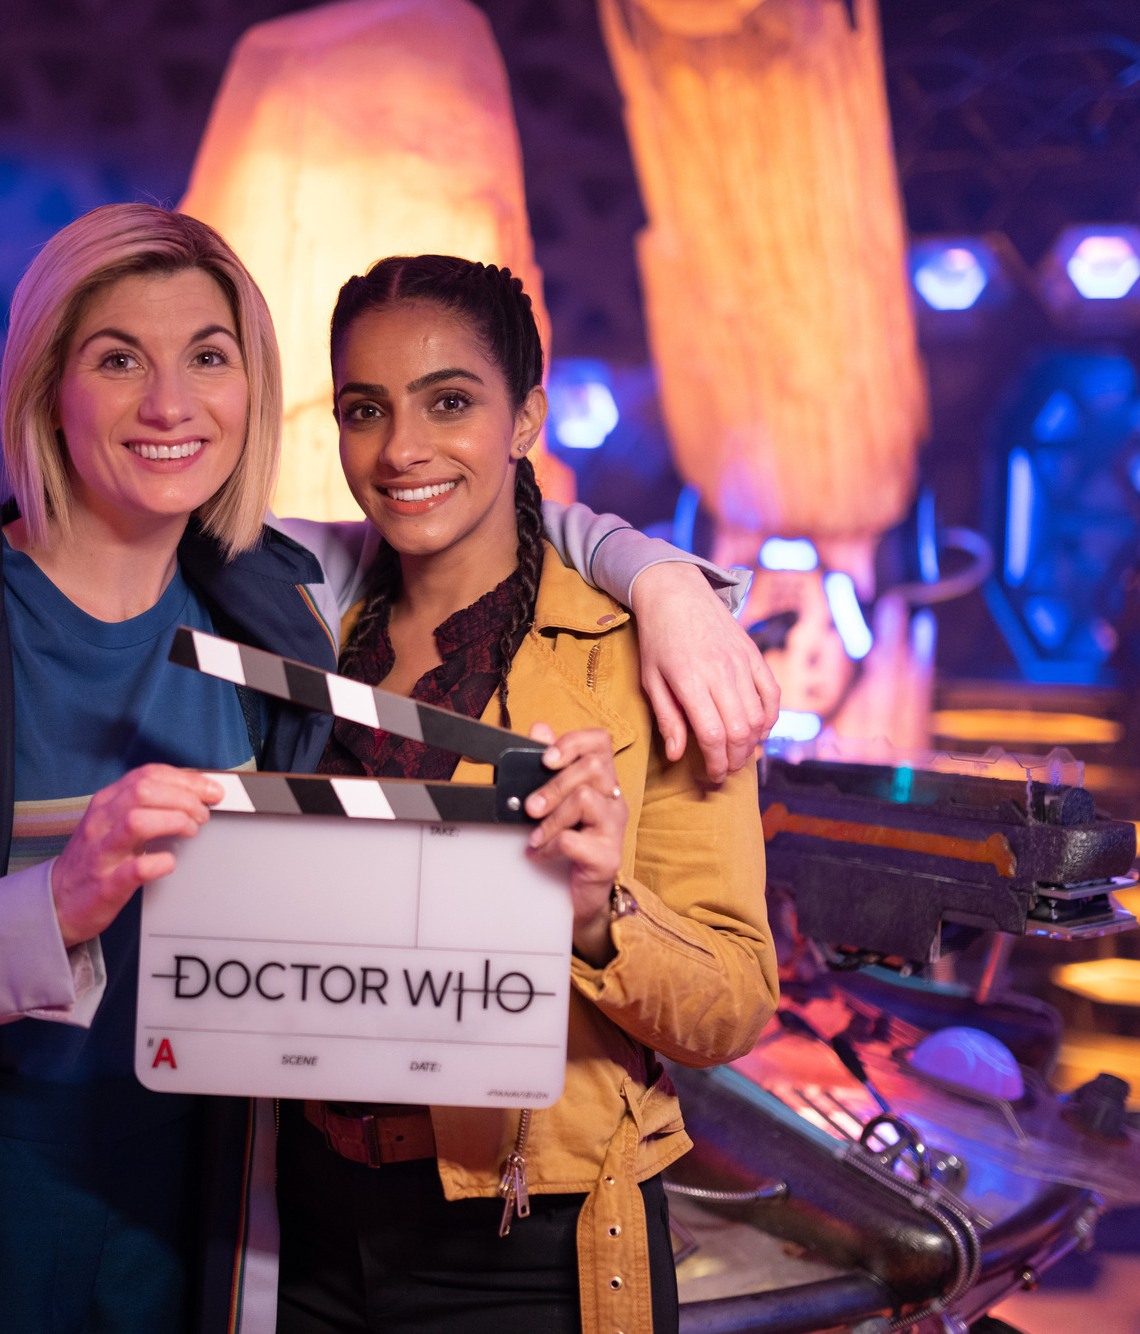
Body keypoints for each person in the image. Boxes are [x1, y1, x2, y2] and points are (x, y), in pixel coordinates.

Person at [0, 205, 772, 1334]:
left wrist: (663, 581)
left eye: (208, 357)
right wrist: (51, 903)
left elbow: (483, 510)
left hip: (210, 1211)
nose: (169, 405)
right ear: (45, 385)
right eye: (117, 358)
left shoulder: (284, 590)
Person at [272, 256, 779, 1334]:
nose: (401, 449)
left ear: (526, 420)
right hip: (301, 1215)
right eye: (365, 409)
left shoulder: (645, 657)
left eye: (449, 401)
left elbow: (733, 1001)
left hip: (528, 1232)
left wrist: (598, 914)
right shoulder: (300, 626)